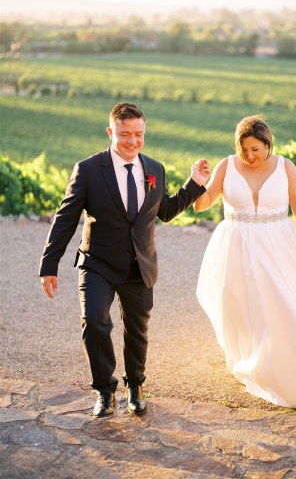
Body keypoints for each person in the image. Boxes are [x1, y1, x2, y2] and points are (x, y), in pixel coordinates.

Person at [39, 102, 210, 418]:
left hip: (139, 265)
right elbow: (66, 218)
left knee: (137, 330)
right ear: (110, 132)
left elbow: (166, 212)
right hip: (97, 263)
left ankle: (135, 386)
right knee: (94, 321)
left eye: (139, 134)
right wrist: (49, 264)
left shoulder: (155, 169)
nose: (132, 141)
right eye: (125, 134)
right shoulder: (88, 170)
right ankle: (105, 391)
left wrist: (194, 184)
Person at [194, 115, 296, 408]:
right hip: (236, 244)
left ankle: (291, 365)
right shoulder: (227, 165)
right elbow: (203, 204)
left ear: (268, 144)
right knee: (241, 305)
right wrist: (197, 184)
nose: (249, 156)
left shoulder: (286, 167)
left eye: (255, 149)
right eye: (244, 149)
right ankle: (249, 357)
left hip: (277, 245)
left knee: (282, 303)